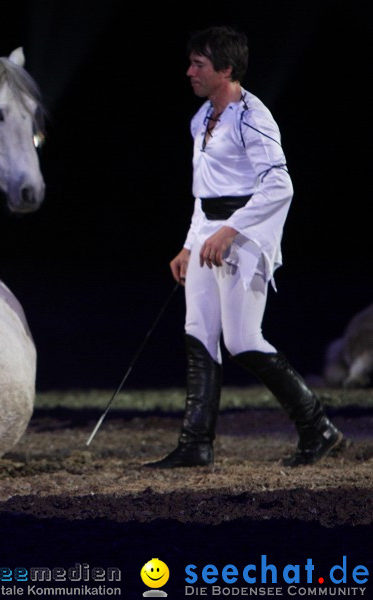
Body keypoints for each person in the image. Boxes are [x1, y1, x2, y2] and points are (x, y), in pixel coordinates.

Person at [146, 26, 344, 469]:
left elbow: (279, 185)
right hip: (207, 238)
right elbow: (204, 193)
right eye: (192, 62)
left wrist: (229, 230)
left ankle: (318, 427)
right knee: (198, 334)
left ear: (226, 70)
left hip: (244, 239)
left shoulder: (254, 116)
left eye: (199, 65)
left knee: (242, 340)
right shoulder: (201, 119)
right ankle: (196, 443)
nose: (190, 72)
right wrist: (188, 243)